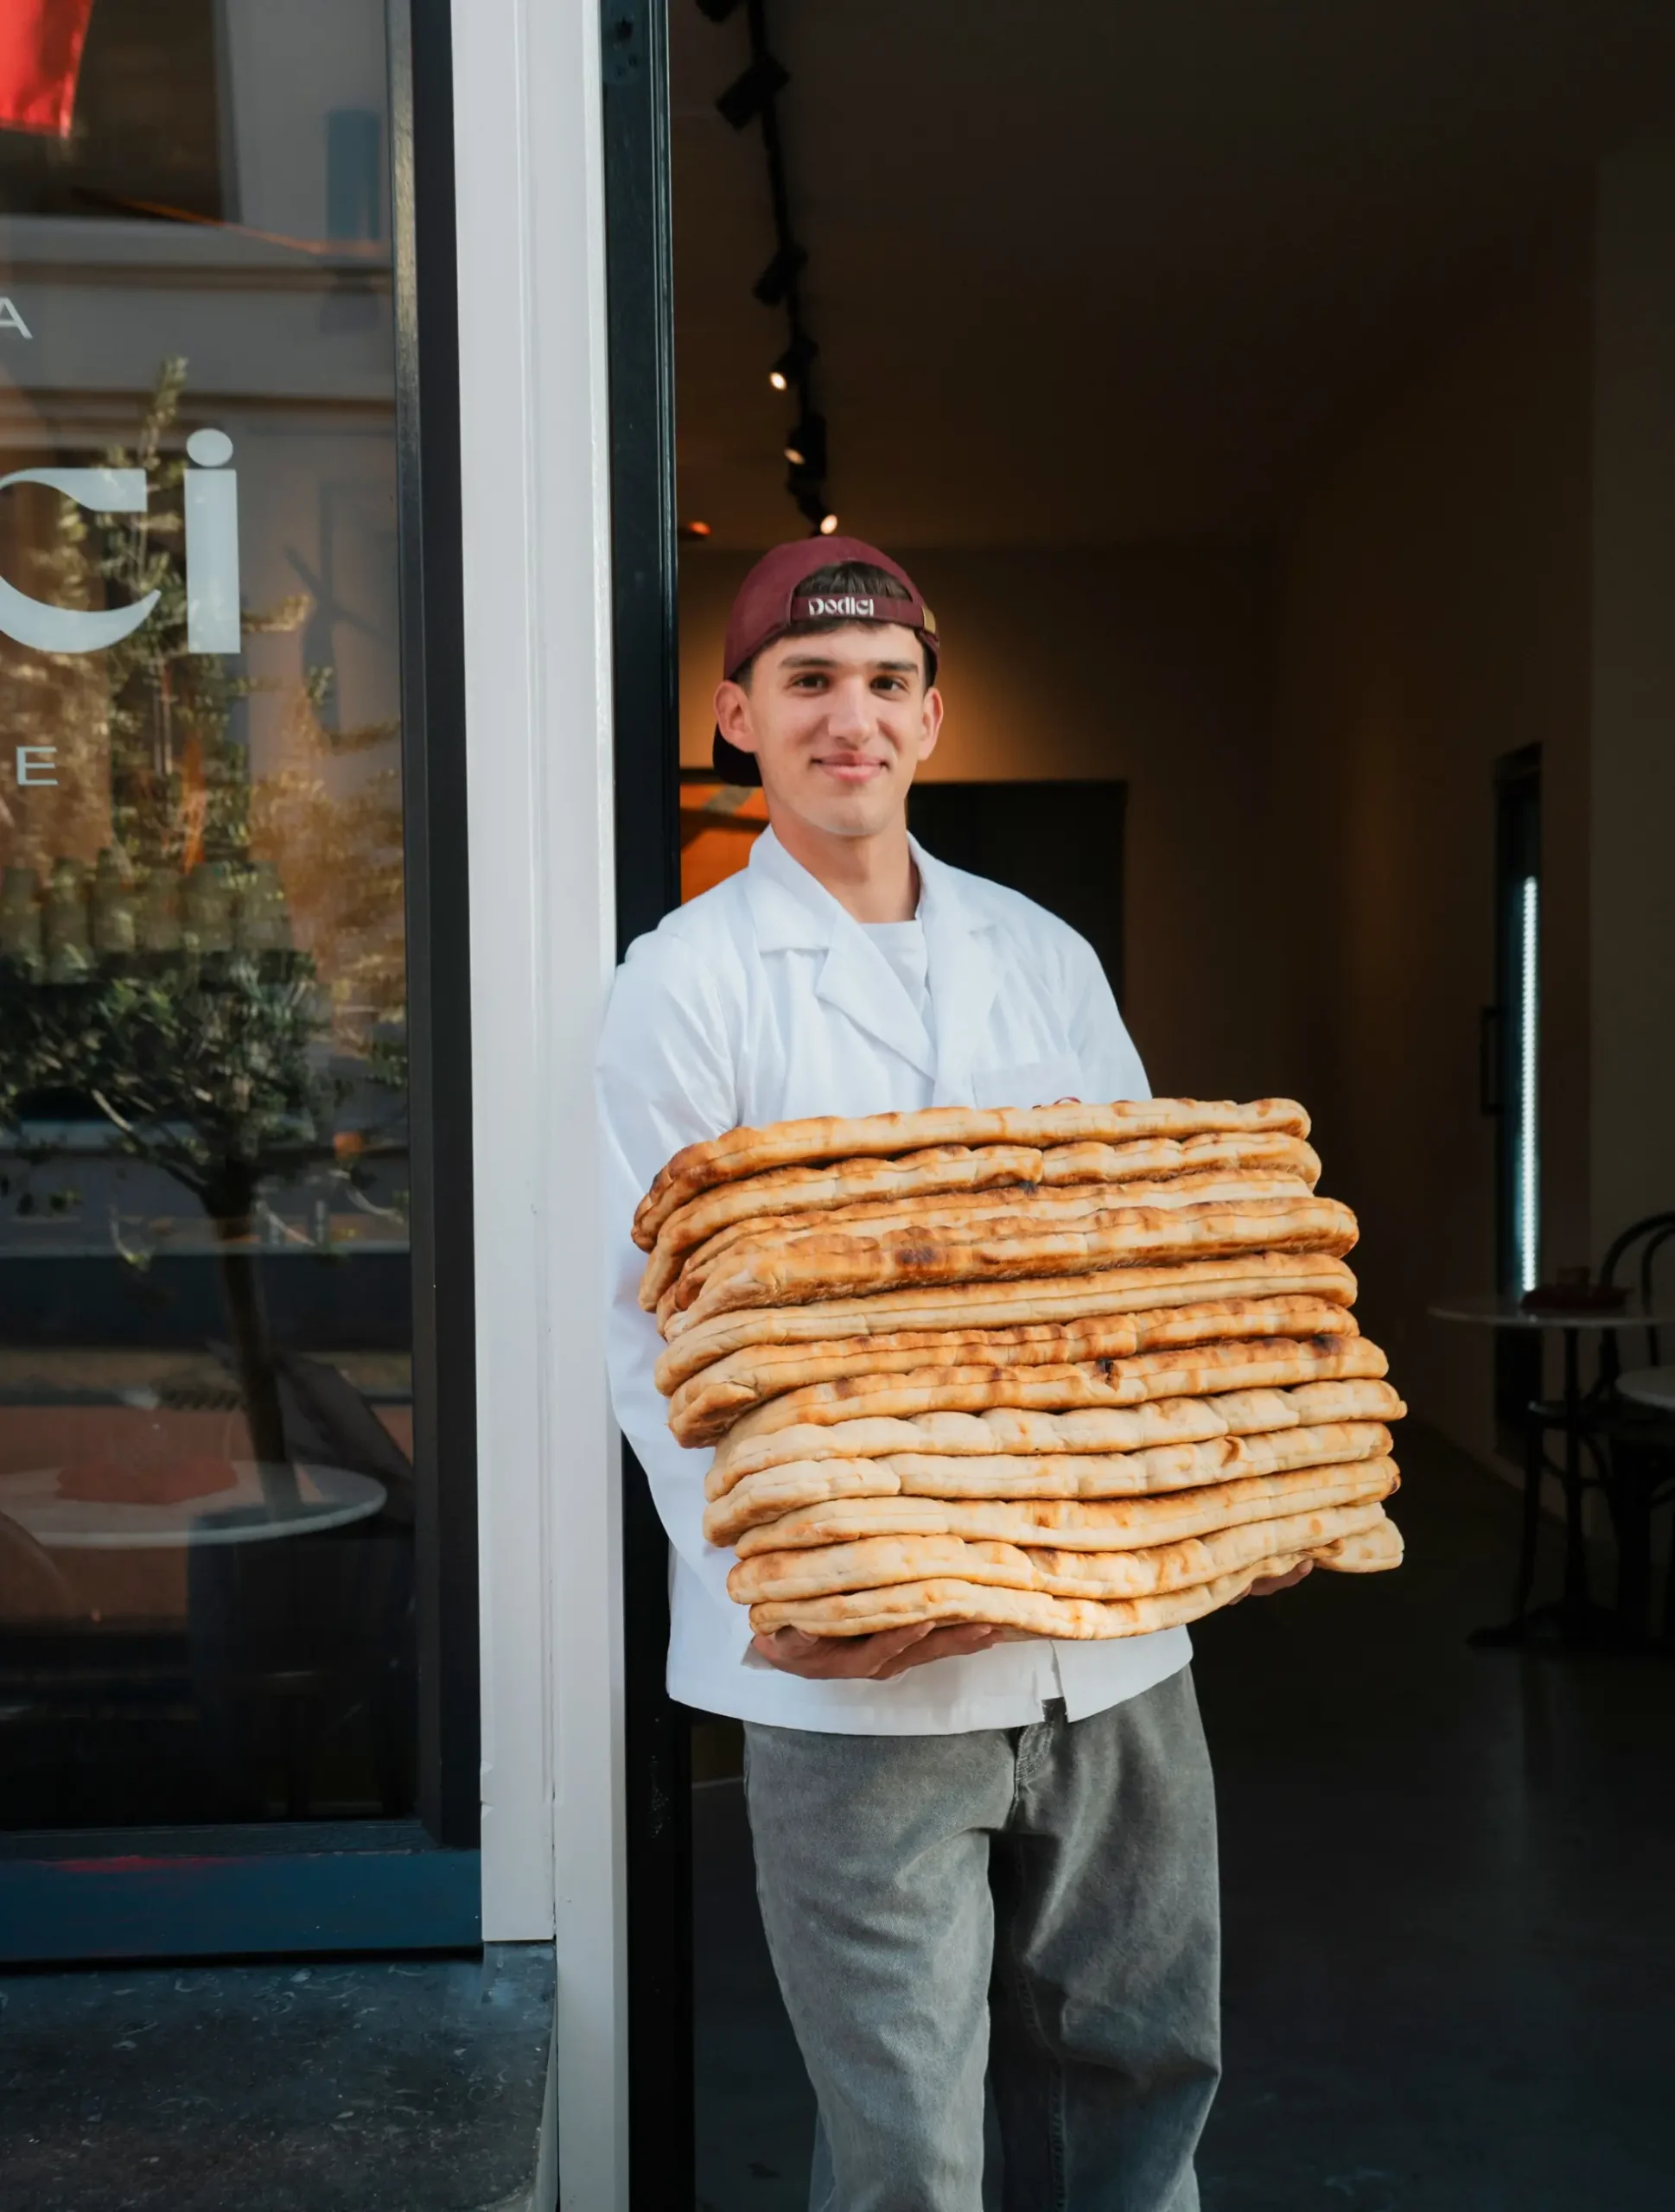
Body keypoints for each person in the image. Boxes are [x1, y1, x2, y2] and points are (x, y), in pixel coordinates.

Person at [597, 537, 1303, 2211]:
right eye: (812, 681)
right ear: (738, 716)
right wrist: (802, 1581)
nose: (855, 717)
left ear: (933, 716)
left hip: (1114, 1653)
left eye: (888, 683)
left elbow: (1140, 1262)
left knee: (1144, 2074)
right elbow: (647, 1329)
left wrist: (1180, 1518)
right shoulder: (682, 983)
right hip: (859, 1682)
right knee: (910, 2136)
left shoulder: (1042, 954)